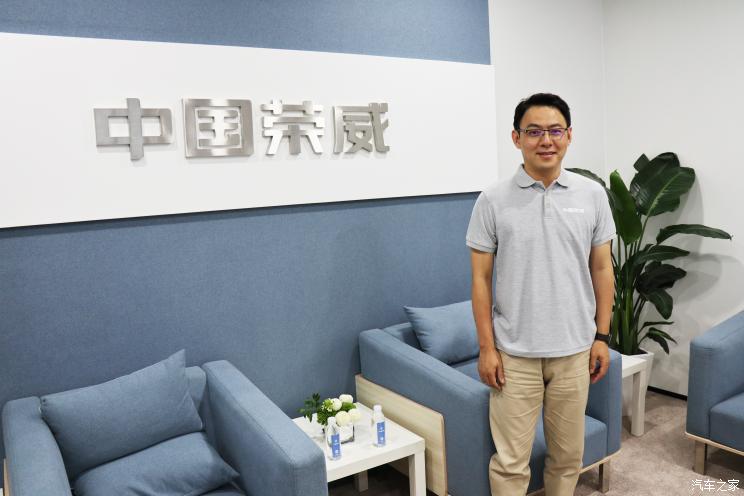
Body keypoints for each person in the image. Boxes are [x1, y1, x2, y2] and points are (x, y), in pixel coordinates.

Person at [465, 93, 616, 496]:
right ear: (516, 138)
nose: (545, 141)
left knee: (567, 457)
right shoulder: (492, 200)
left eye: (555, 131)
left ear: (569, 136)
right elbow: (480, 279)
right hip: (514, 354)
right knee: (511, 463)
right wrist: (486, 348)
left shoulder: (592, 195)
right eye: (533, 132)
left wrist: (602, 337)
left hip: (574, 350)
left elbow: (602, 269)